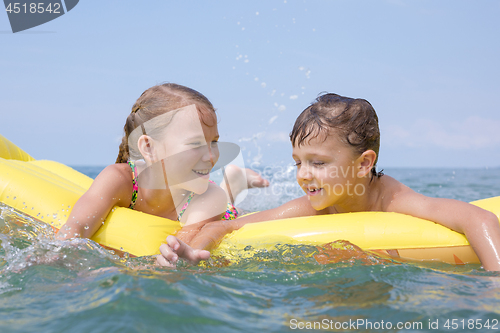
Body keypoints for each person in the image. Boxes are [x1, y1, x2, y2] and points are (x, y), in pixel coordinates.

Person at [160, 93, 500, 271]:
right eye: (298, 163)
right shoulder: (316, 205)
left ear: (364, 163)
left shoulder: (394, 202)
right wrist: (194, 251)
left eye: (318, 163)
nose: (303, 174)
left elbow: (480, 218)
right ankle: (236, 184)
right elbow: (228, 227)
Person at [55, 83, 268, 266]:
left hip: (218, 209)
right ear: (149, 148)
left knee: (228, 203)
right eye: (196, 143)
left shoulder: (209, 197)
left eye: (214, 142)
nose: (211, 156)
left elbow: (178, 251)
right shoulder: (119, 179)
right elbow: (75, 229)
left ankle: (235, 182)